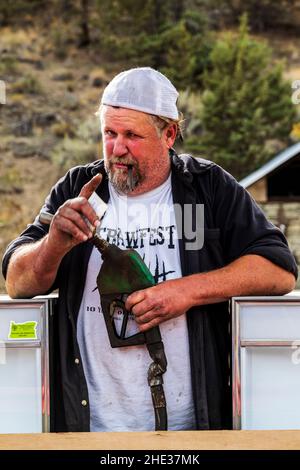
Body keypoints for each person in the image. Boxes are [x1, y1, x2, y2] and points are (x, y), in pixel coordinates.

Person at [2, 67, 297, 432]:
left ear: (169, 134)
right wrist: (54, 244)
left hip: (193, 427)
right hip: (90, 426)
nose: (117, 147)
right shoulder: (80, 188)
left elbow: (279, 269)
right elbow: (17, 282)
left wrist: (186, 291)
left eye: (131, 135)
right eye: (109, 133)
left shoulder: (206, 188)